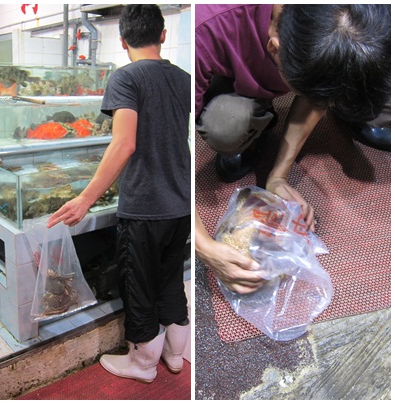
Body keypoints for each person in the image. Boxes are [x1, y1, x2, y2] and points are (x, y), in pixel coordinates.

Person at [195, 4, 391, 294]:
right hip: (238, 72)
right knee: (226, 126)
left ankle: (344, 100)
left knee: (377, 103)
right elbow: (167, 148)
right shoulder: (206, 27)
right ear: (274, 49)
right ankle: (259, 118)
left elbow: (316, 96)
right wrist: (204, 247)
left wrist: (278, 176)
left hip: (301, 59)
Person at [48, 4, 191, 384]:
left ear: (123, 40)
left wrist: (85, 199)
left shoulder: (126, 77)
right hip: (180, 202)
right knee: (170, 280)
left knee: (139, 286)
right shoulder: (183, 78)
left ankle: (142, 364)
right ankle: (175, 355)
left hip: (145, 207)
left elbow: (124, 143)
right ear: (162, 35)